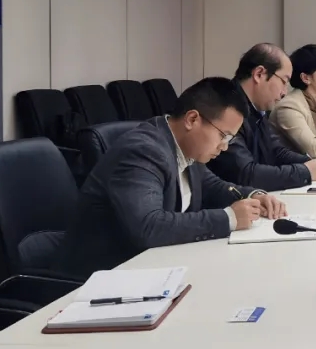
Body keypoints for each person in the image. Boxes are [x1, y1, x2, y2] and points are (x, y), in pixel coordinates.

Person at [54, 77, 289, 278]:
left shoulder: (184, 146)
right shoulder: (144, 150)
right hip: (104, 277)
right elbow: (148, 226)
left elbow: (212, 186)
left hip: (154, 268)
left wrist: (253, 195)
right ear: (192, 119)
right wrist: (228, 218)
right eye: (223, 136)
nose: (225, 146)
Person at [208, 43, 316, 191]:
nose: (284, 92)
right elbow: (246, 174)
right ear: (259, 74)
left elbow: (276, 151)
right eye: (284, 82)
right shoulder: (227, 107)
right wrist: (306, 172)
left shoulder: (256, 107)